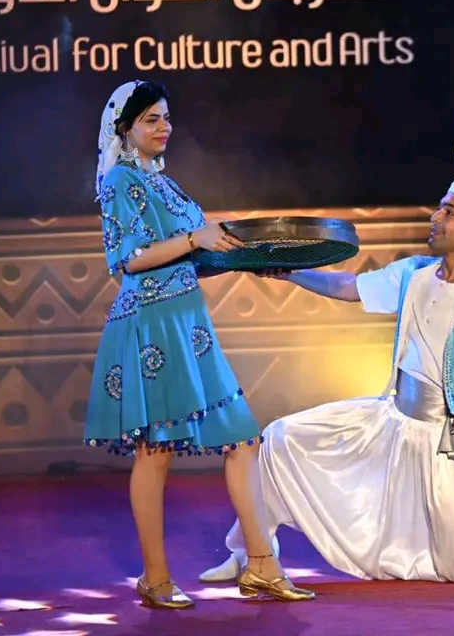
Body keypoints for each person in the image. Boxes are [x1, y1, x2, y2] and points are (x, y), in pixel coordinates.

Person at [197, 179, 454, 585]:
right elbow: (349, 287)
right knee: (282, 439)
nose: (436, 217)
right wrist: (292, 273)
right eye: (440, 207)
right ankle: (251, 551)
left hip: (450, 440)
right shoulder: (414, 273)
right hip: (395, 421)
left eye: (449, 212)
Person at [83, 81, 314, 607]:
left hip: (189, 323)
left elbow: (188, 259)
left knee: (243, 439)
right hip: (152, 324)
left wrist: (246, 262)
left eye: (166, 117)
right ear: (125, 128)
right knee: (157, 450)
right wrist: (195, 238)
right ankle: (155, 578)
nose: (164, 127)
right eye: (151, 119)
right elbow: (130, 259)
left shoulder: (162, 182)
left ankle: (261, 565)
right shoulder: (120, 180)